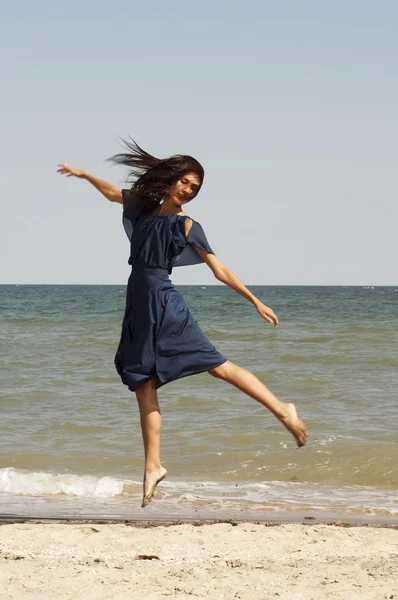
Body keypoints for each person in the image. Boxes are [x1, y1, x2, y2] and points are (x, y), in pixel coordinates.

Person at [57, 139, 307, 508]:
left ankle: (282, 409)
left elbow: (218, 267)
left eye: (195, 187)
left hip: (163, 302)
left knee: (217, 366)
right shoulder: (142, 209)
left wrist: (255, 300)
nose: (190, 190)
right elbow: (114, 194)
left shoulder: (186, 225)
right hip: (138, 304)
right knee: (143, 382)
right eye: (186, 182)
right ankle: (153, 465)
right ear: (172, 180)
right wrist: (85, 175)